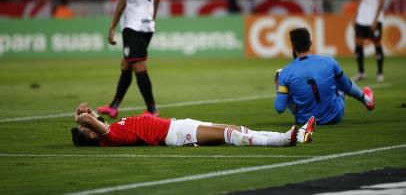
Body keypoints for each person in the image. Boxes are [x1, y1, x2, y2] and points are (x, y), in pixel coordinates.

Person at [97, 0, 161, 118]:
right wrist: (151, 18)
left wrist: (112, 27)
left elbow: (122, 0)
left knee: (139, 65)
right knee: (127, 63)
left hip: (133, 26)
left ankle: (152, 110)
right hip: (147, 25)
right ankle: (114, 105)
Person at [71, 103, 316, 147]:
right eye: (87, 129)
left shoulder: (108, 129)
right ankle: (287, 140)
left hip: (178, 125)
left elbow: (95, 119)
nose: (90, 123)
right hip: (176, 135)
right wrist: (80, 117)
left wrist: (89, 112)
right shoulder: (108, 136)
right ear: (92, 136)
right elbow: (89, 121)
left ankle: (292, 134)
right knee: (232, 135)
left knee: (238, 129)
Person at [274, 28, 375, 125]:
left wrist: (280, 87)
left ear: (293, 46)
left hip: (304, 121)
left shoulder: (285, 73)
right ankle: (366, 99)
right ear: (310, 43)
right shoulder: (329, 62)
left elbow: (279, 108)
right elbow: (346, 87)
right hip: (334, 116)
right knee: (339, 81)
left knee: (284, 81)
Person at [352, 0, 386, 82]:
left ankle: (380, 73)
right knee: (358, 42)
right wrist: (355, 15)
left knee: (377, 43)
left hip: (373, 18)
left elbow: (382, 1)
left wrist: (376, 19)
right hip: (362, 18)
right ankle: (361, 72)